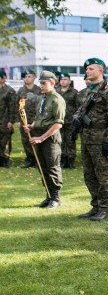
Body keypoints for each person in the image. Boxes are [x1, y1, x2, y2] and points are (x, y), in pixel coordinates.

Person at [77, 58, 108, 221]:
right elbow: (82, 112)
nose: (87, 71)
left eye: (91, 68)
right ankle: (95, 205)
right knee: (89, 175)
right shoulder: (88, 91)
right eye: (87, 69)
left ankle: (103, 207)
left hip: (101, 140)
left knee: (103, 175)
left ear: (100, 70)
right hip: (87, 139)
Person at [25, 71, 65, 209]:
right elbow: (40, 117)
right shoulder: (42, 98)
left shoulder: (56, 99)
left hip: (50, 138)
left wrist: (42, 138)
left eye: (44, 83)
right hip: (38, 135)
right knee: (42, 168)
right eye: (40, 83)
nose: (41, 86)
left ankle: (55, 198)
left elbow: (58, 123)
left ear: (52, 83)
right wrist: (32, 126)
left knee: (52, 167)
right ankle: (48, 196)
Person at [16, 69, 41, 168]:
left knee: (36, 139)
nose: (27, 78)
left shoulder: (39, 90)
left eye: (29, 76)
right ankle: (29, 158)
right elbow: (16, 105)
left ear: (34, 78)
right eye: (25, 77)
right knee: (26, 140)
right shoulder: (21, 90)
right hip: (24, 120)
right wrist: (18, 120)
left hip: (35, 119)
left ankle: (37, 159)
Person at [57, 72, 79, 169]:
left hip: (70, 120)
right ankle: (63, 160)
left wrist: (76, 117)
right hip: (59, 120)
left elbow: (78, 106)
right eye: (61, 79)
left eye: (65, 79)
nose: (63, 81)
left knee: (70, 141)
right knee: (60, 141)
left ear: (69, 81)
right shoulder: (56, 92)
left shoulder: (74, 92)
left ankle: (71, 160)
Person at [0, 70, 16, 168]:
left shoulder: (9, 91)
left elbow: (12, 107)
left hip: (5, 119)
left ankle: (5, 159)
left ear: (3, 78)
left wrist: (11, 121)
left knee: (5, 141)